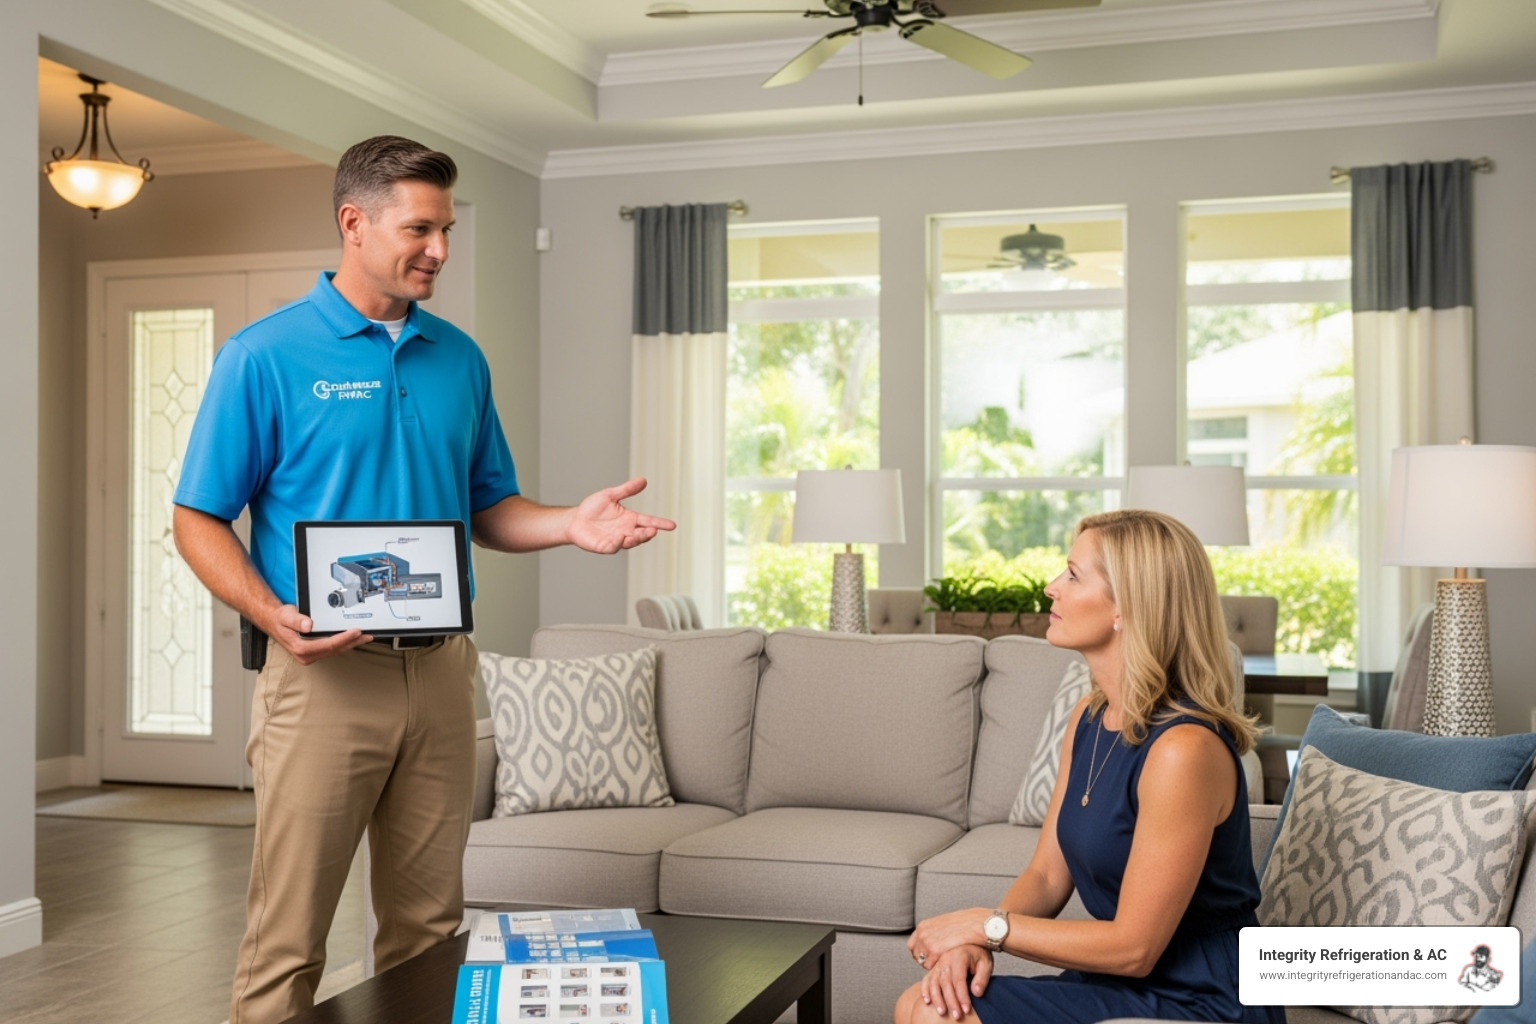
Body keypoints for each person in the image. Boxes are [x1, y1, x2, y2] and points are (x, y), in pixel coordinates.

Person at [171, 135, 675, 1024]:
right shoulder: (265, 356)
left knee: (428, 930)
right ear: (353, 223)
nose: (439, 249)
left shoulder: (460, 358)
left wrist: (567, 524)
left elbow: (488, 507)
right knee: (289, 942)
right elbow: (196, 516)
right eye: (420, 228)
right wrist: (270, 612)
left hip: (442, 675)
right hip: (323, 677)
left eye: (445, 229)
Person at [896, 509, 1284, 1024]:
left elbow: (1134, 947)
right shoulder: (1090, 715)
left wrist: (983, 926)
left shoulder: (1182, 751)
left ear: (1128, 606)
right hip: (1123, 981)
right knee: (929, 1003)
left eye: (1073, 575)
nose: (1051, 588)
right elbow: (1047, 873)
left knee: (931, 1015)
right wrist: (980, 944)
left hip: (1203, 996)